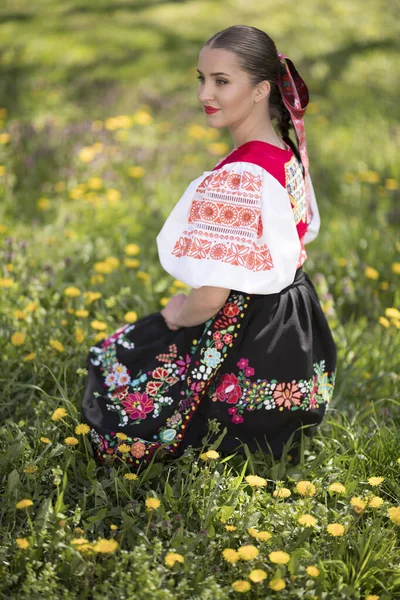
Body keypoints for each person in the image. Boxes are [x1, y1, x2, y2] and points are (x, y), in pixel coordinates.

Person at [81, 25, 337, 470]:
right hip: (294, 328)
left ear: (260, 90)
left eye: (221, 81)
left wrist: (176, 314)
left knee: (121, 365)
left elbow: (212, 295)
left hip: (248, 330)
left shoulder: (239, 179)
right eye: (201, 78)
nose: (205, 93)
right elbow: (301, 231)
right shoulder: (283, 151)